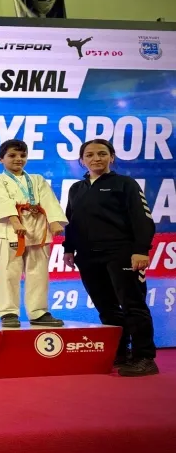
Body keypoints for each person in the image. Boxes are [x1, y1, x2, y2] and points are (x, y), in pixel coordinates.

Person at [63, 139, 158, 377]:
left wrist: (141, 250)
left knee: (133, 305)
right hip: (87, 257)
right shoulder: (76, 189)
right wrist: (68, 248)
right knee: (107, 308)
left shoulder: (125, 184)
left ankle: (144, 357)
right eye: (90, 154)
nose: (96, 158)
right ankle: (121, 353)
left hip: (121, 254)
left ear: (112, 157)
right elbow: (71, 221)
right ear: (82, 160)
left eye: (102, 153)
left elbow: (143, 218)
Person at [0, 140, 66, 328]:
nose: (18, 159)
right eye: (12, 155)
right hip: (8, 231)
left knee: (38, 273)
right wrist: (15, 222)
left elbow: (49, 200)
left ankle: (39, 312)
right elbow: (1, 201)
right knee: (8, 273)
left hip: (37, 229)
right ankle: (8, 312)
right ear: (1, 159)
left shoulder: (37, 179)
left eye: (22, 155)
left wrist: (54, 222)